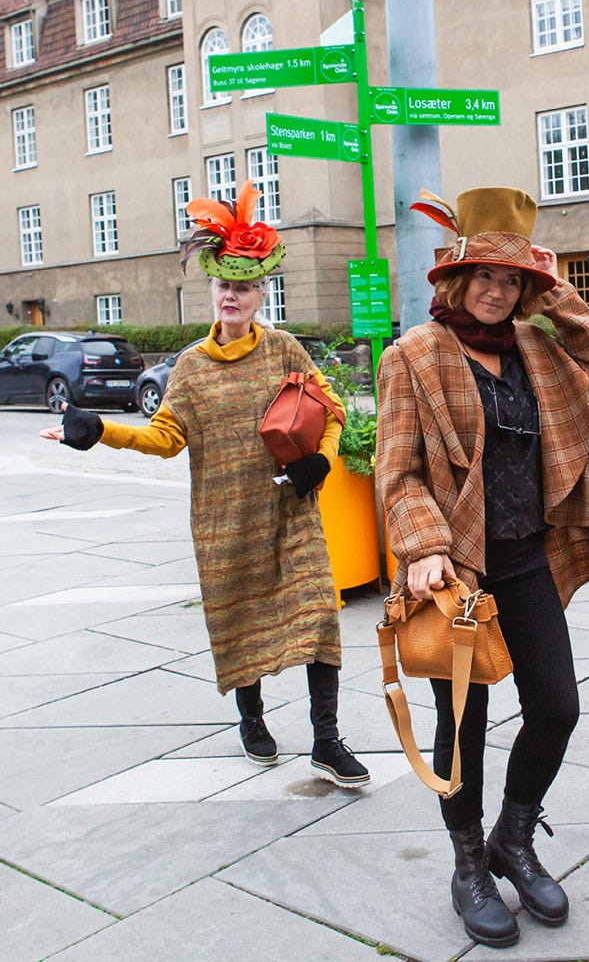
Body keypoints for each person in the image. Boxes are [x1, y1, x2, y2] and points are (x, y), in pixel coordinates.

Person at [375, 186, 589, 947]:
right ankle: (467, 865)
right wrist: (423, 547)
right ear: (457, 281)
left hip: (526, 559)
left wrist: (556, 292)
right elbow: (396, 473)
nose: (497, 291)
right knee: (463, 726)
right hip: (452, 571)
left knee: (556, 707)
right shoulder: (414, 356)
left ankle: (511, 842)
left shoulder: (537, 349)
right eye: (485, 277)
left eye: (512, 280)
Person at [41, 180, 369, 789]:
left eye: (242, 288)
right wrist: (100, 431)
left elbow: (331, 410)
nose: (231, 297)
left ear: (258, 294)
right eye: (223, 287)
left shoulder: (284, 351)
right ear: (212, 292)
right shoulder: (190, 366)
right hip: (224, 524)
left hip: (290, 514)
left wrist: (319, 462)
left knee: (318, 616)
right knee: (238, 623)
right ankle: (252, 720)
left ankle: (327, 739)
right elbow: (165, 437)